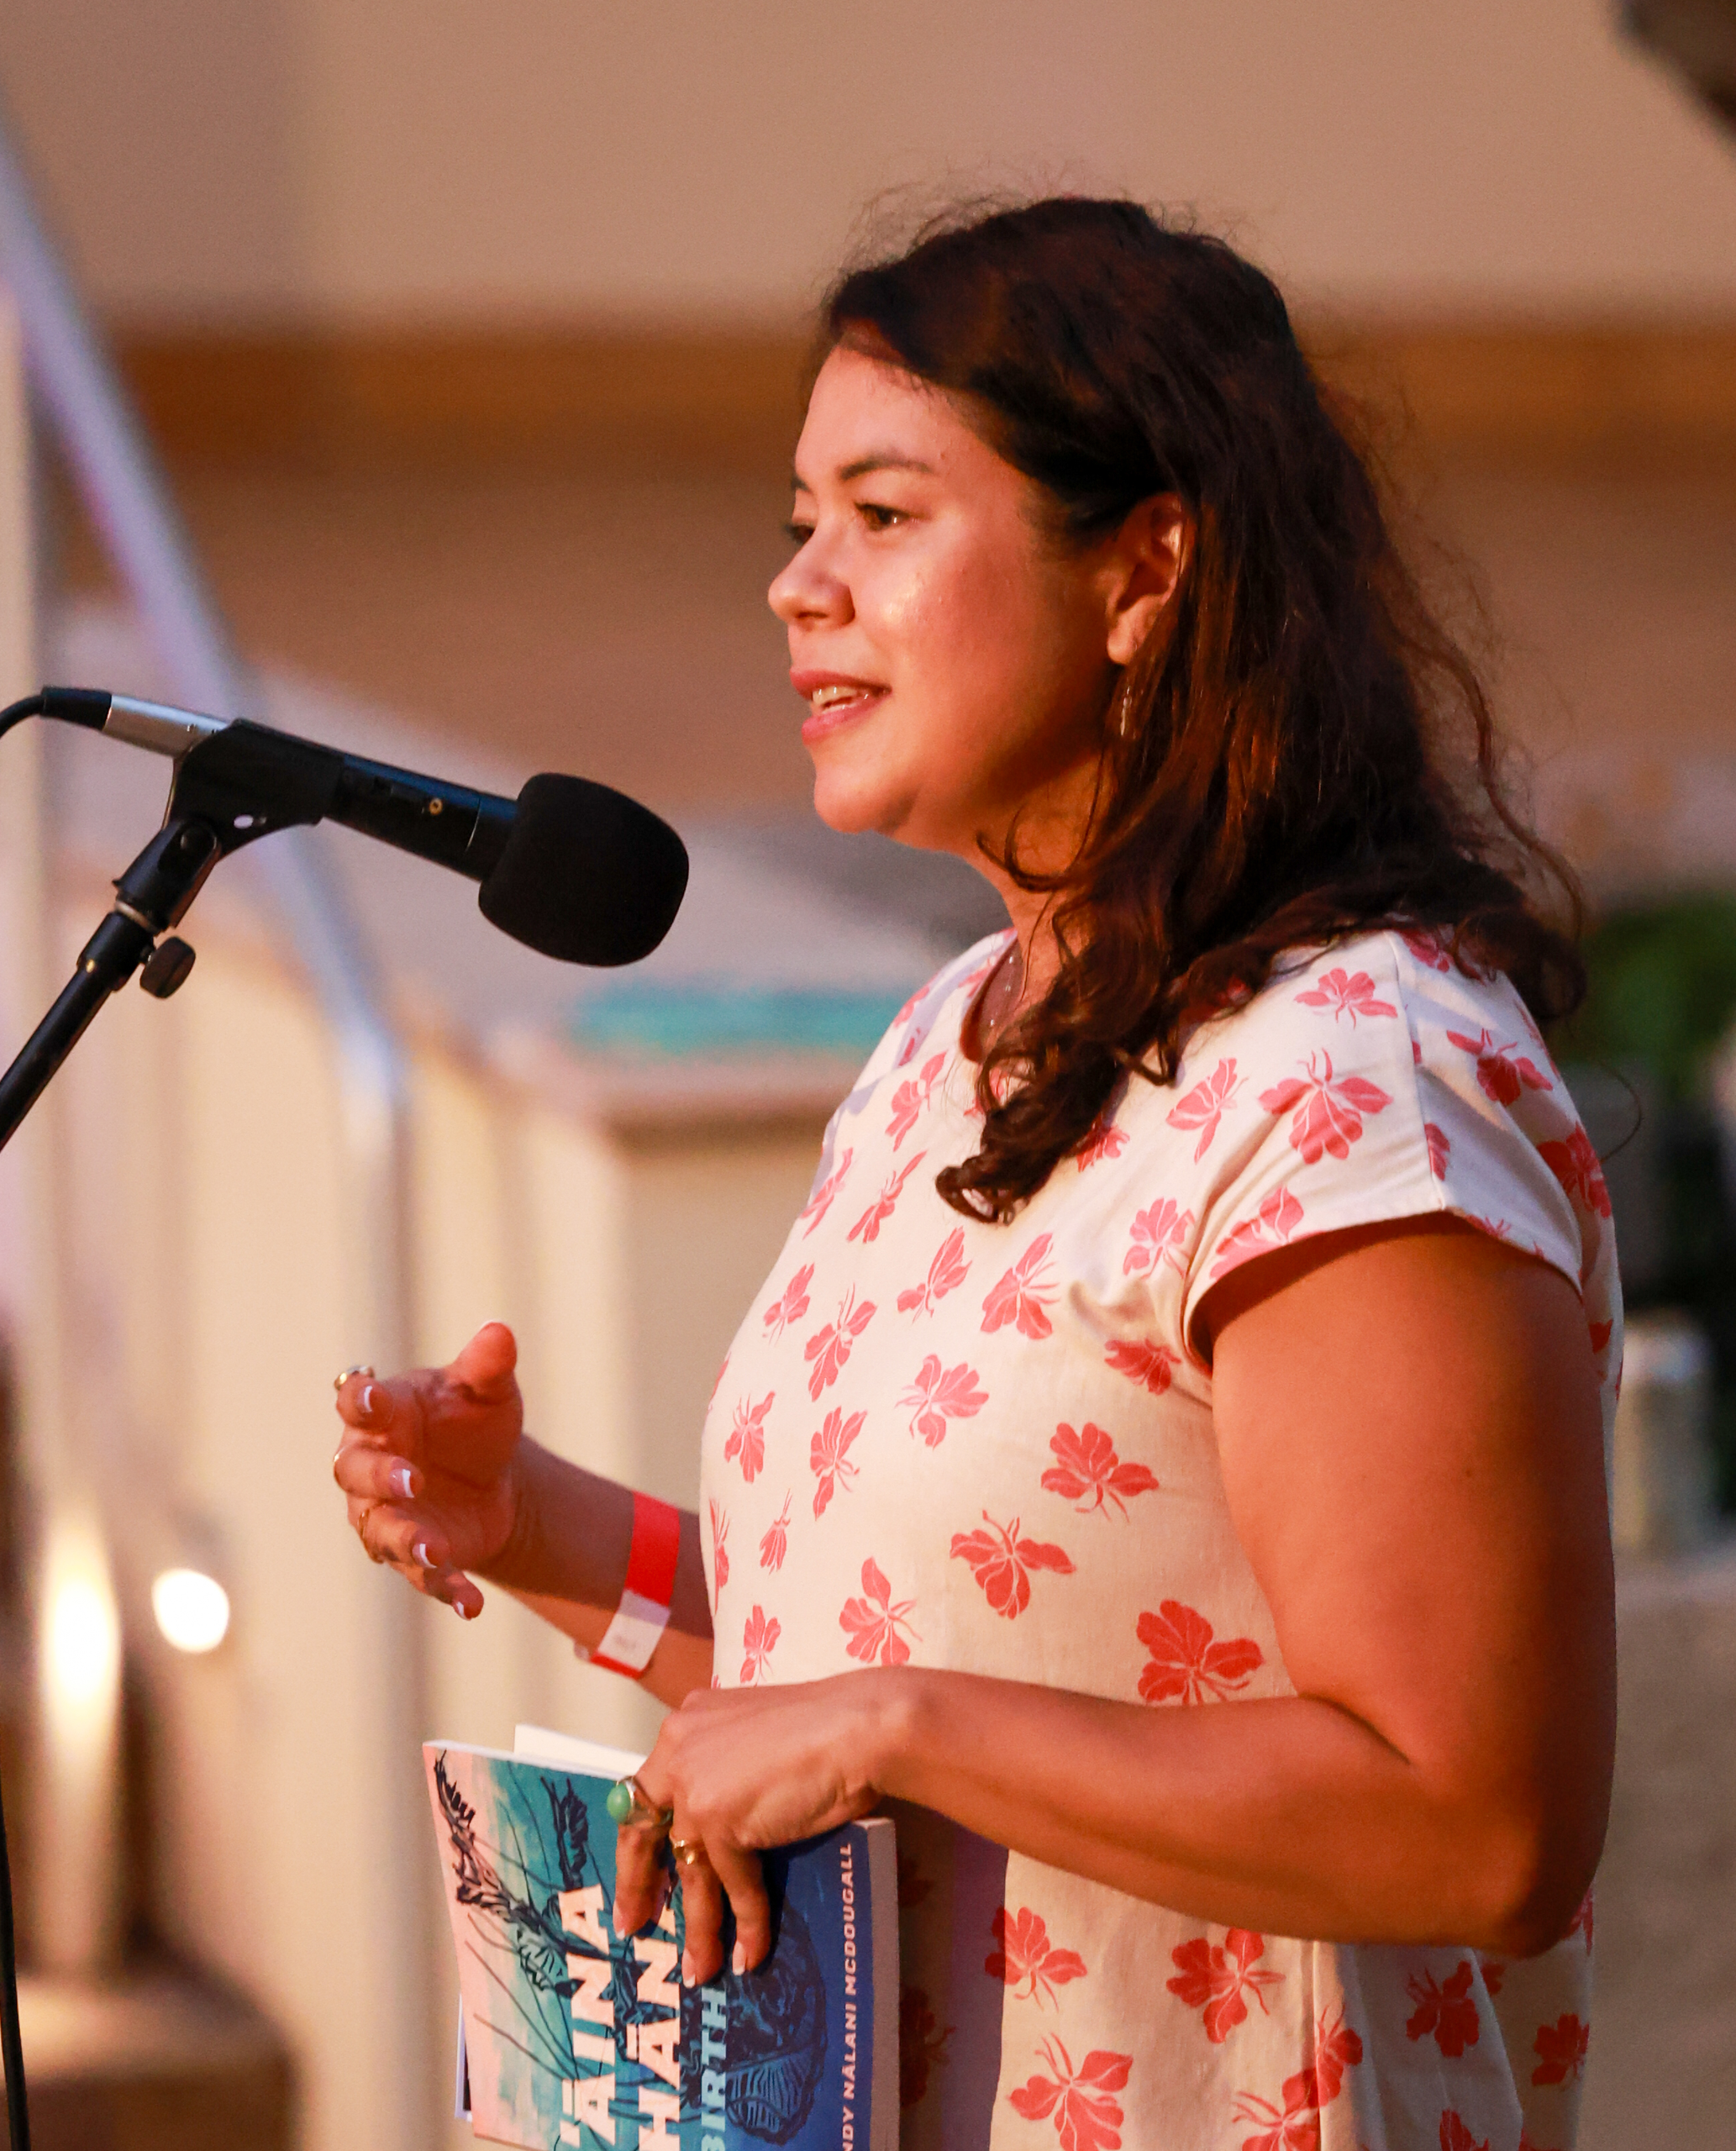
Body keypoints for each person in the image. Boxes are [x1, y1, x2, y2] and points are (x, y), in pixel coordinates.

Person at [332, 197, 1616, 2151]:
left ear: (1145, 567)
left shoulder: (1355, 1085)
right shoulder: (952, 1035)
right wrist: (538, 1528)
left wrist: (892, 1723)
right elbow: (890, 1642)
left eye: (882, 512)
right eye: (795, 519)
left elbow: (1474, 1818)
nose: (796, 585)